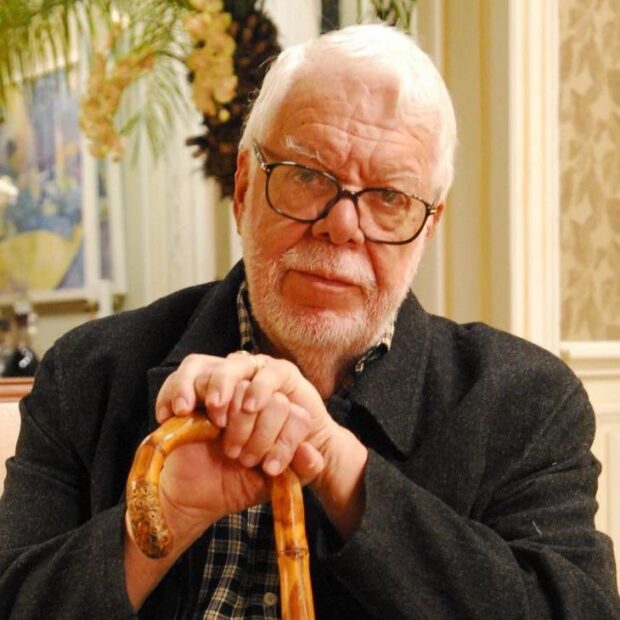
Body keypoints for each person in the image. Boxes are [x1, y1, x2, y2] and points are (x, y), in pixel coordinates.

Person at [1, 23, 619, 620]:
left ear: (427, 227)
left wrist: (339, 466)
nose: (341, 226)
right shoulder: (87, 372)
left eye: (389, 197)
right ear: (243, 188)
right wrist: (162, 515)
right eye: (306, 176)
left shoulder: (525, 402)